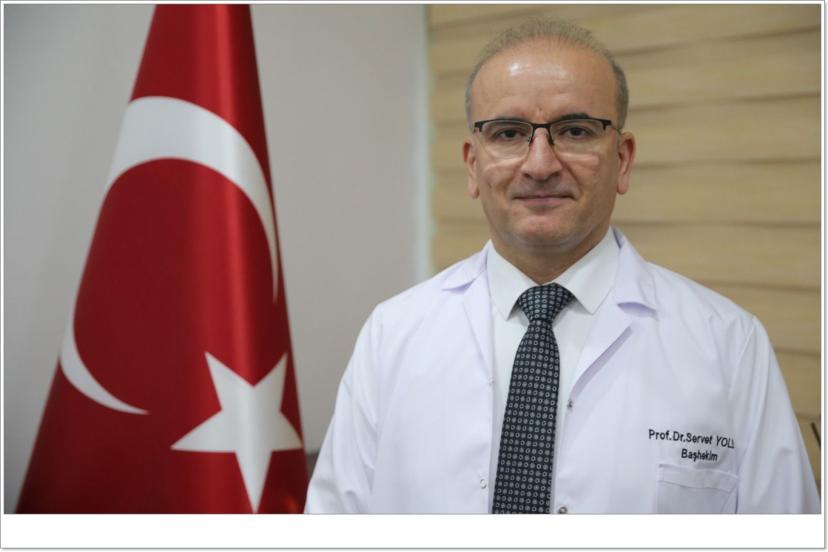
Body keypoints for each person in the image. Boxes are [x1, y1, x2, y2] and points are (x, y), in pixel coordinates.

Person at [305, 17, 819, 514]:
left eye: (574, 131)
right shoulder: (392, 335)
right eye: (508, 133)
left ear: (623, 160)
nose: (540, 164)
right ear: (472, 165)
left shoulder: (729, 345)